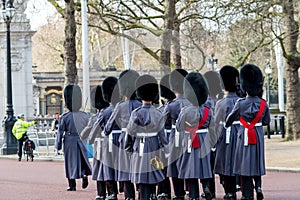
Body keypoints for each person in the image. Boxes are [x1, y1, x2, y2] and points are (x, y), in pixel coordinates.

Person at [225, 64, 270, 200]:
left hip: (243, 134)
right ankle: (259, 186)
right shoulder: (263, 104)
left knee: (244, 164)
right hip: (257, 135)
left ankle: (248, 194)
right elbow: (267, 121)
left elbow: (229, 119)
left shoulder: (240, 103)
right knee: (256, 162)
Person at [127, 74, 168, 200]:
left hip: (139, 146)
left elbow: (130, 131)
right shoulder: (158, 113)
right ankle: (153, 194)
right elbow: (162, 134)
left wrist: (128, 147)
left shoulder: (136, 113)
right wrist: (166, 149)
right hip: (154, 144)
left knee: (142, 174)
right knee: (153, 172)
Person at [103, 70, 141, 200]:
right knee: (139, 166)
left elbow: (109, 124)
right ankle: (142, 192)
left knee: (125, 168)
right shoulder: (140, 105)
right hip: (139, 139)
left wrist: (105, 132)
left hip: (124, 139)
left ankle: (129, 196)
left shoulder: (120, 106)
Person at [176, 72, 214, 200]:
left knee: (191, 168)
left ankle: (194, 195)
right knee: (204, 165)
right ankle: (206, 187)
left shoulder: (185, 110)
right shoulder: (208, 110)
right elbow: (212, 126)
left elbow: (179, 126)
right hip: (204, 139)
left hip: (190, 140)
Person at [55, 84, 92, 192]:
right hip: (82, 139)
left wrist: (58, 145)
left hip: (69, 140)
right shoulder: (84, 115)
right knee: (82, 159)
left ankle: (72, 184)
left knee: (70, 162)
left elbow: (60, 132)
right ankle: (84, 174)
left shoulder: (65, 117)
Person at [213, 65, 242, 200]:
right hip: (240, 134)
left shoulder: (221, 103)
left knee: (225, 164)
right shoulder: (241, 100)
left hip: (225, 135)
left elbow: (216, 122)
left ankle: (229, 191)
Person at [164, 69, 191, 200]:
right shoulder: (191, 103)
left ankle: (179, 193)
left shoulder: (171, 105)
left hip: (175, 137)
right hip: (190, 136)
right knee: (190, 162)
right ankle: (193, 191)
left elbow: (163, 122)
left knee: (175, 165)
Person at [81, 85, 110, 200]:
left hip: (99, 145)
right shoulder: (111, 113)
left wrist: (84, 136)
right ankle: (112, 192)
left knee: (99, 169)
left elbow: (86, 133)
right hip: (111, 145)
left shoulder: (95, 118)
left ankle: (101, 193)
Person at [157, 74, 176, 200]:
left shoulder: (165, 108)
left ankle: (165, 191)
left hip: (166, 136)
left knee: (162, 166)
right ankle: (179, 192)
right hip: (176, 137)